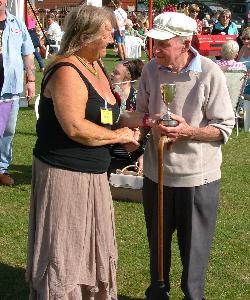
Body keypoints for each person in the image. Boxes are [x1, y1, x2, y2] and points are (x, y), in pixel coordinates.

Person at [119, 11, 235, 300]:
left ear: (184, 43)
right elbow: (139, 115)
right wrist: (142, 130)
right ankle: (157, 293)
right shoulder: (150, 70)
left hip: (198, 178)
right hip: (156, 175)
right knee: (157, 244)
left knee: (194, 249)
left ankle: (193, 296)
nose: (155, 49)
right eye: (154, 43)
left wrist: (189, 132)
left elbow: (223, 127)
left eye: (162, 44)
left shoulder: (209, 72)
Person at [25, 5, 138, 299]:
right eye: (106, 32)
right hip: (64, 174)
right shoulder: (66, 70)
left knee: (92, 244)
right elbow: (75, 126)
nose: (112, 37)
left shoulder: (95, 65)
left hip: (94, 173)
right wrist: (117, 135)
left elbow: (106, 113)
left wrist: (144, 120)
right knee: (65, 247)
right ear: (86, 35)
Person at [0, 0, 35, 186]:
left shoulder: (17, 24)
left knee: (7, 131)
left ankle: (1, 169)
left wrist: (30, 80)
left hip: (10, 88)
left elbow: (28, 53)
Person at [109, 59, 145, 174]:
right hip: (109, 152)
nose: (111, 75)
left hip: (132, 157)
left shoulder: (139, 99)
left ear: (128, 79)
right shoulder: (107, 96)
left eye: (116, 73)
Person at [27, 5, 44, 72]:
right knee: (35, 51)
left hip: (29, 33)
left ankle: (31, 66)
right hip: (33, 33)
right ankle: (42, 66)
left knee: (27, 51)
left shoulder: (27, 17)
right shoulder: (34, 17)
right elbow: (35, 25)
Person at [237, 27, 250, 96]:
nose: (245, 41)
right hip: (241, 81)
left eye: (248, 38)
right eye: (244, 38)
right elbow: (237, 64)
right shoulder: (243, 48)